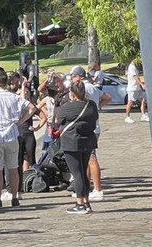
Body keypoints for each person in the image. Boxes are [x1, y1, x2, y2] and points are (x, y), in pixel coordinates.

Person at [0, 71, 38, 208]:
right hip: (12, 136)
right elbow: (31, 108)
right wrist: (20, 122)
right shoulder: (14, 97)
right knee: (13, 168)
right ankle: (14, 196)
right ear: (6, 82)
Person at [69, 66, 111, 202]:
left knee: (91, 157)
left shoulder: (83, 89)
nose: (71, 79)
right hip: (93, 125)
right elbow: (106, 98)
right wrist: (97, 108)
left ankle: (98, 189)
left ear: (79, 76)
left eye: (72, 76)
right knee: (85, 159)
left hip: (87, 127)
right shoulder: (93, 88)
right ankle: (84, 189)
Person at [57, 81, 99, 214]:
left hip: (71, 142)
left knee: (77, 173)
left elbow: (59, 119)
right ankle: (86, 202)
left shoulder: (67, 106)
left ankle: (80, 203)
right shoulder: (91, 105)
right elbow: (95, 118)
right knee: (83, 171)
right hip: (88, 141)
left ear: (72, 93)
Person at [125, 59, 149, 123]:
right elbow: (135, 77)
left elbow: (138, 77)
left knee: (143, 100)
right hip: (132, 88)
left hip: (137, 88)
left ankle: (143, 115)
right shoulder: (131, 67)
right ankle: (127, 117)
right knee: (130, 102)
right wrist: (141, 84)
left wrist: (141, 85)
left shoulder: (135, 67)